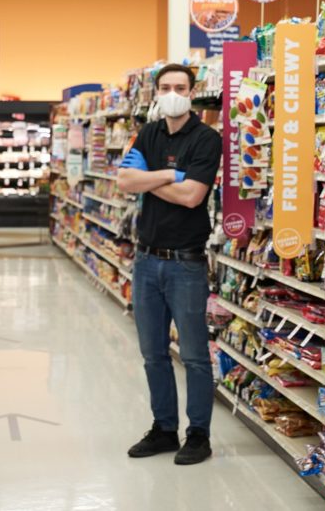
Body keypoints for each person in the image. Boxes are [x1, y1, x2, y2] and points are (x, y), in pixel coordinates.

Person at [116, 63, 222, 466]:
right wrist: (169, 175)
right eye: (166, 87)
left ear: (192, 92)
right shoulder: (149, 132)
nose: (172, 92)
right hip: (146, 261)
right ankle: (164, 428)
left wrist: (150, 180)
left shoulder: (207, 138)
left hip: (186, 264)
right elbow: (124, 181)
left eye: (180, 86)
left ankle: (198, 434)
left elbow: (193, 196)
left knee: (194, 354)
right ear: (156, 92)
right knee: (152, 353)